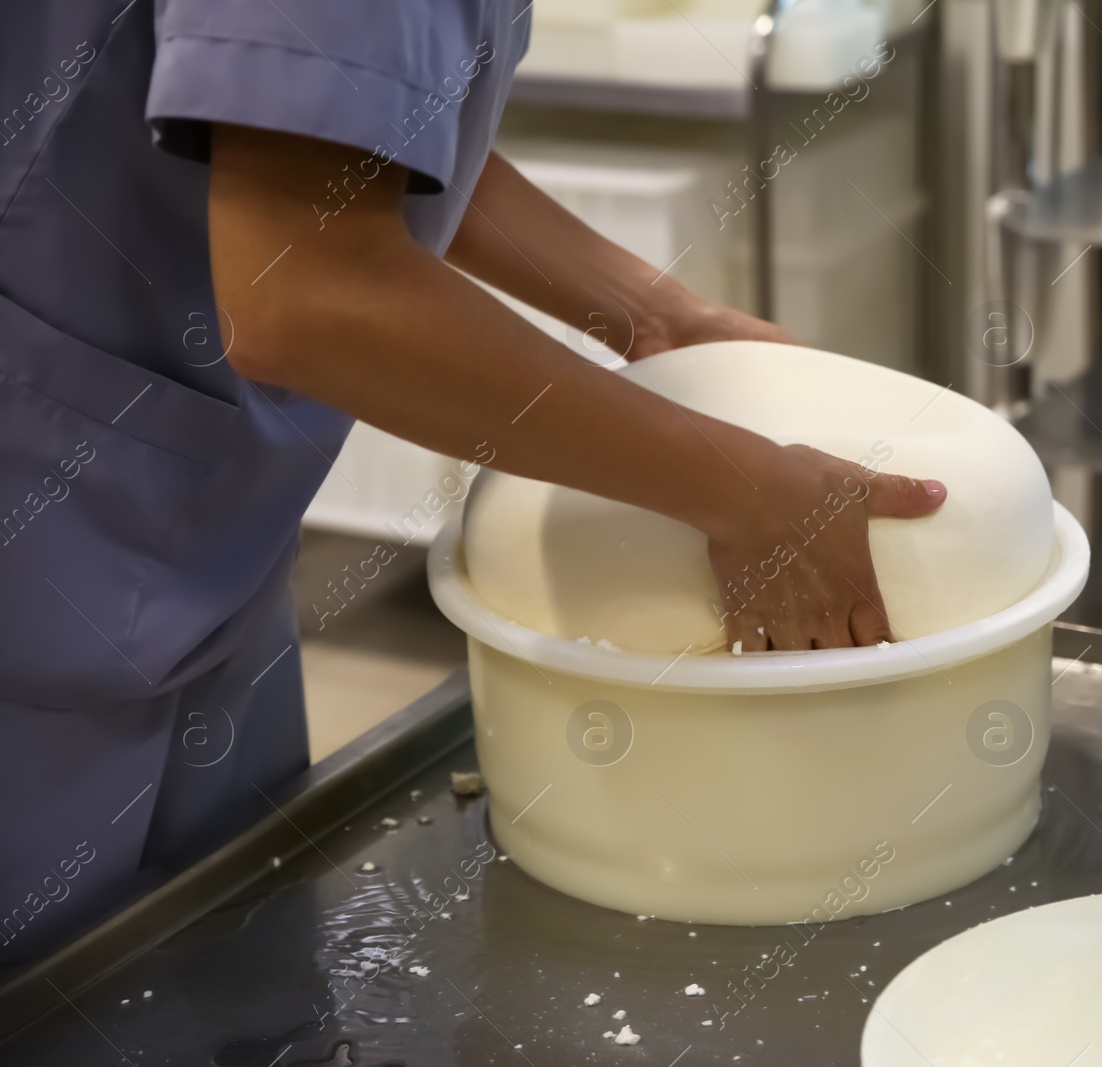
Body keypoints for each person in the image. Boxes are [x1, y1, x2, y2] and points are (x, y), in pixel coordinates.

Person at [0, 0, 944, 968]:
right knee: (58, 998)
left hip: (182, 518)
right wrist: (750, 498)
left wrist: (656, 317)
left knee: (224, 960)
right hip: (44, 535)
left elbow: (344, 122)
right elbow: (306, 295)